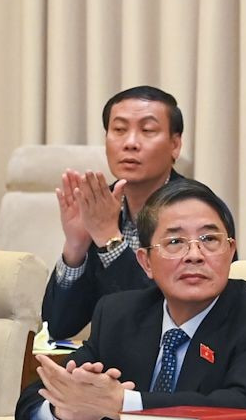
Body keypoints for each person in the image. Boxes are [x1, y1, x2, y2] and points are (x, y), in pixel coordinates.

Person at [18, 178, 246, 420]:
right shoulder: (120, 315)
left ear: (230, 252)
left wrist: (124, 403)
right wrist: (67, 409)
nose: (195, 255)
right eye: (175, 242)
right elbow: (32, 402)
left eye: (210, 240)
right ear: (145, 262)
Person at [41, 85, 192, 340]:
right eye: (119, 130)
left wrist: (110, 240)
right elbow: (58, 326)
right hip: (106, 362)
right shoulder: (102, 205)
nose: (130, 143)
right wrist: (76, 249)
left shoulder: (195, 211)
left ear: (175, 145)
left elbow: (166, 320)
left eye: (147, 130)